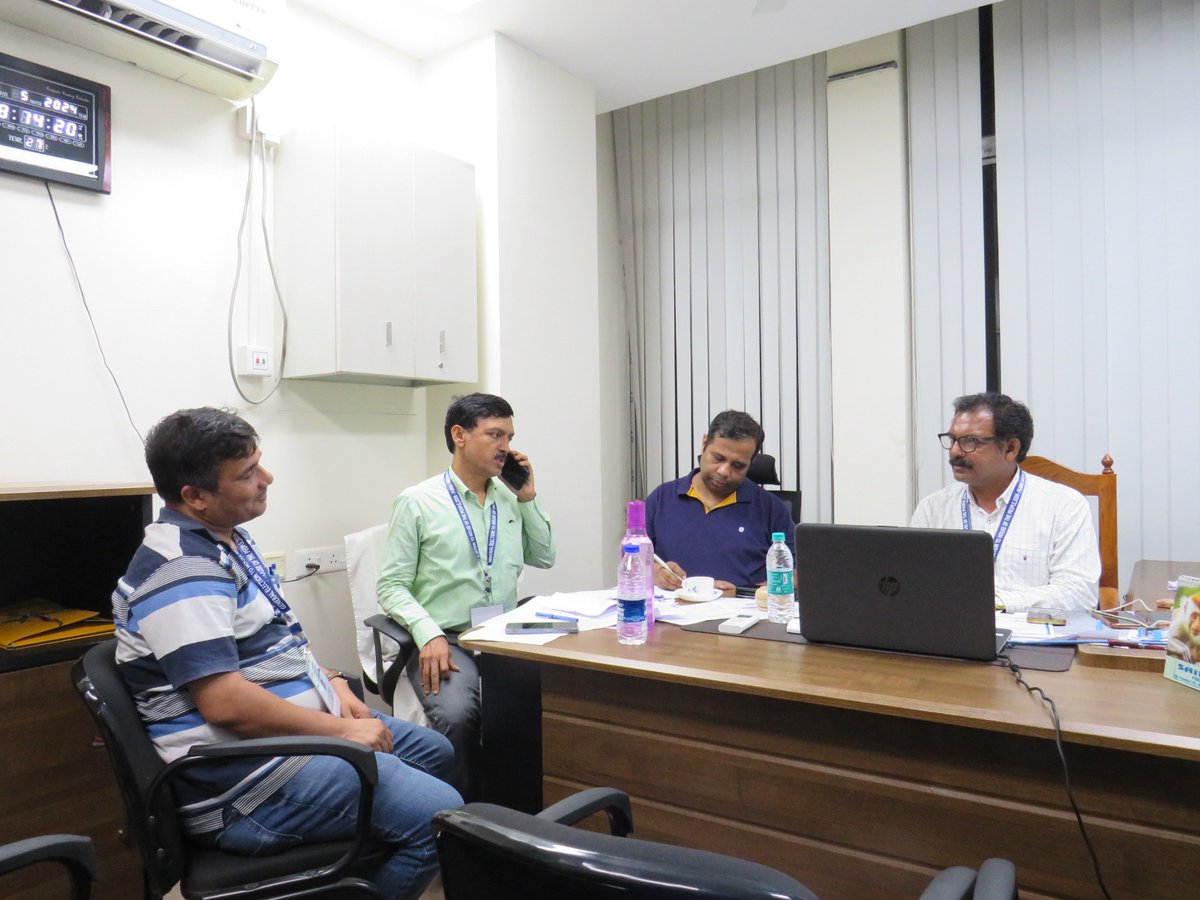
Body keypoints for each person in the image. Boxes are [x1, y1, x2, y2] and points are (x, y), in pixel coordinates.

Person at [112, 408, 461, 900]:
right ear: (195, 497)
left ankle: (358, 865)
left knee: (433, 751)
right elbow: (226, 703)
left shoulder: (224, 540)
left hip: (284, 744)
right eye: (247, 474)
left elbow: (273, 641)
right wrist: (343, 730)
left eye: (260, 463)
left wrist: (333, 686)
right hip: (245, 785)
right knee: (439, 816)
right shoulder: (183, 571)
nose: (266, 479)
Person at [377, 392, 556, 798]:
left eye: (509, 436)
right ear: (459, 435)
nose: (506, 447)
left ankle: (525, 809)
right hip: (448, 636)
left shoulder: (511, 499)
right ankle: (458, 816)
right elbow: (391, 586)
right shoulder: (418, 502)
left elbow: (544, 556)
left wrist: (528, 498)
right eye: (495, 435)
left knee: (552, 702)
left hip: (502, 634)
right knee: (459, 716)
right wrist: (428, 634)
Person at [910, 392, 1100, 612]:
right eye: (952, 439)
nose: (954, 451)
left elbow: (1079, 593)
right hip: (950, 635)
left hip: (1032, 640)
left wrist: (1001, 603)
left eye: (970, 441)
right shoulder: (933, 509)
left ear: (1010, 449)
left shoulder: (1064, 507)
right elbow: (914, 585)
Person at [646, 410, 794, 592]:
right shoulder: (662, 499)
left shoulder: (770, 508)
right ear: (704, 444)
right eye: (718, 458)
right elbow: (631, 560)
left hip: (742, 613)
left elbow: (799, 572)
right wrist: (654, 572)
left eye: (738, 465)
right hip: (676, 611)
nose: (724, 471)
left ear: (751, 462)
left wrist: (770, 588)